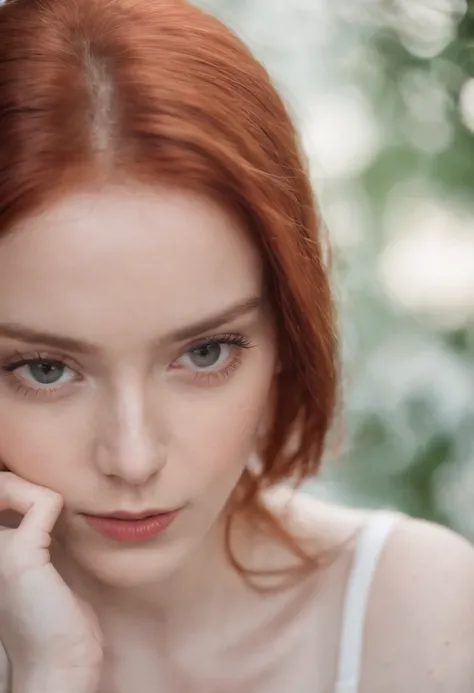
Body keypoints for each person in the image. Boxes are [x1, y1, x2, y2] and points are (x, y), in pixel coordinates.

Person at [0, 0, 473, 691]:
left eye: (204, 353)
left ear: (286, 330)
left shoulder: (425, 617)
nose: (133, 458)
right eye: (46, 368)